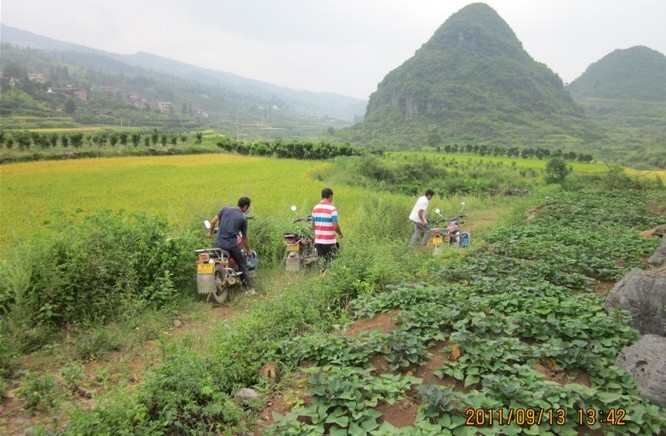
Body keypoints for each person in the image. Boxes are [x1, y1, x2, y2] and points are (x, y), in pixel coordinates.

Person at [207, 196, 255, 294]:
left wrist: (210, 233)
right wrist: (249, 250)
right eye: (248, 207)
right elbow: (244, 238)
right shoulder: (243, 218)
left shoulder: (225, 209)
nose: (248, 209)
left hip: (218, 244)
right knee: (242, 264)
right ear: (245, 207)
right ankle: (249, 289)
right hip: (231, 245)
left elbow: (212, 222)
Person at [311, 188, 343, 270]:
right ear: (330, 196)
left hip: (318, 242)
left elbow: (313, 225)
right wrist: (340, 233)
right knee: (332, 264)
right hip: (329, 242)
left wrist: (316, 235)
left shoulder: (315, 208)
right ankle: (330, 280)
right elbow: (335, 226)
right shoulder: (332, 209)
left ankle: (322, 279)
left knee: (322, 265)